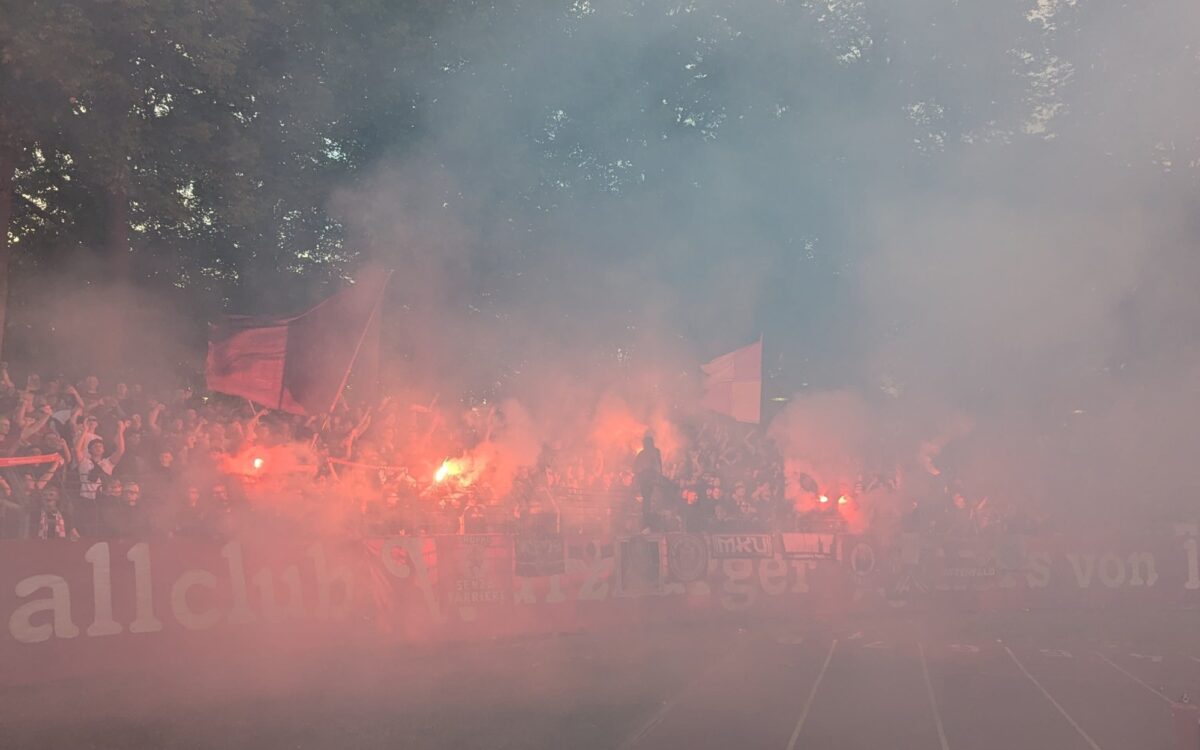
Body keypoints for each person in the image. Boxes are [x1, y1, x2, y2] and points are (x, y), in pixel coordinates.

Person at [633, 434, 662, 533]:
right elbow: (636, 468)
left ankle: (651, 522)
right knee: (647, 501)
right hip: (647, 480)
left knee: (651, 501)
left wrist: (658, 477)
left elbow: (658, 465)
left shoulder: (653, 452)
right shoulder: (642, 454)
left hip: (651, 479)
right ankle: (647, 523)